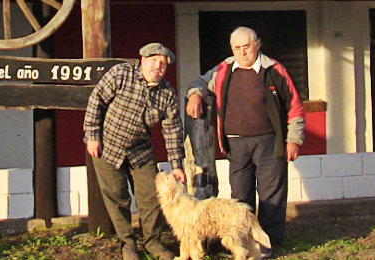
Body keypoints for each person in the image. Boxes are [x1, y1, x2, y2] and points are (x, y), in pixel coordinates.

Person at [185, 27, 305, 258]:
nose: (242, 52)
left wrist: (294, 141)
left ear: (257, 44)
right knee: (240, 198)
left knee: (272, 196)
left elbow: (295, 108)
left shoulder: (275, 70)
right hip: (236, 145)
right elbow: (199, 82)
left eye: (246, 47)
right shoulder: (223, 69)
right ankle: (243, 246)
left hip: (270, 142)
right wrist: (195, 95)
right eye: (236, 48)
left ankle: (269, 246)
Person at [84, 42, 186, 260]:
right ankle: (128, 243)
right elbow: (96, 101)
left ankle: (153, 242)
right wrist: (93, 136)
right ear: (142, 60)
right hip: (108, 147)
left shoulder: (167, 93)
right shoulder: (121, 74)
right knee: (117, 197)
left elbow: (173, 131)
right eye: (153, 61)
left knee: (151, 196)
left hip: (141, 151)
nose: (157, 67)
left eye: (162, 64)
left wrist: (177, 165)